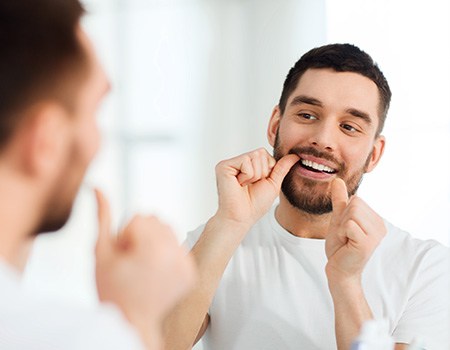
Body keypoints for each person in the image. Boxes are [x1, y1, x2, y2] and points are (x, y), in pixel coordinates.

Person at [163, 44, 450, 350]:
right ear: (275, 126)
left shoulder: (425, 267)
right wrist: (230, 223)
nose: (323, 139)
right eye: (307, 114)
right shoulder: (211, 243)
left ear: (374, 154)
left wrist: (347, 283)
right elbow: (157, 343)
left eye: (349, 127)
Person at [0, 1, 195, 349]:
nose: (96, 142)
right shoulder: (73, 339)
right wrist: (137, 319)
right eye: (93, 110)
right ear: (46, 141)